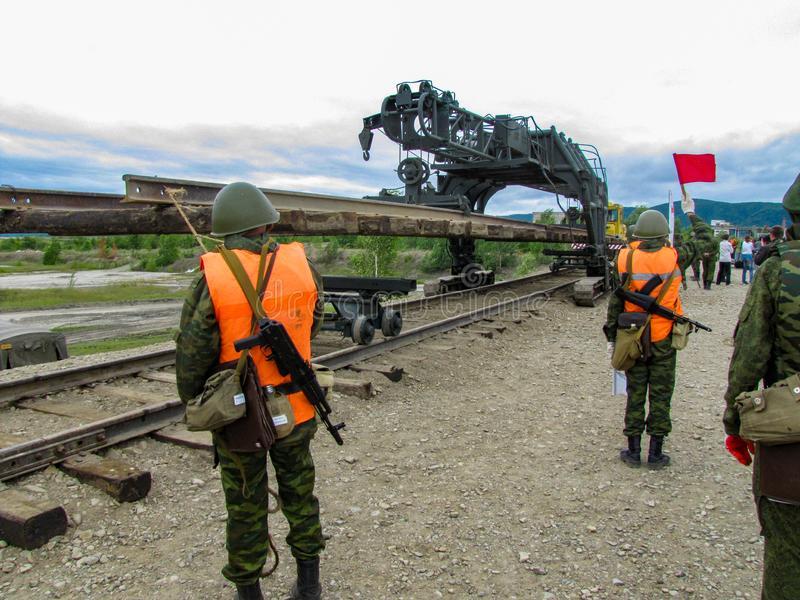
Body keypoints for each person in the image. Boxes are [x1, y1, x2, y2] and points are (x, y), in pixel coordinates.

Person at [175, 182, 326, 600]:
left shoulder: (214, 275)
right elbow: (312, 324)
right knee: (300, 491)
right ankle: (309, 585)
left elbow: (193, 354)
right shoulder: (302, 265)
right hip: (297, 404)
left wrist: (195, 399)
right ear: (266, 224)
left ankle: (249, 591)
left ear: (225, 229)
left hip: (241, 412)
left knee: (245, 504)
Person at [723, 173, 800, 599]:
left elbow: (749, 356)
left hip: (792, 433)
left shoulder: (777, 271)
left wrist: (736, 423)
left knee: (788, 555)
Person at [604, 195, 714, 468]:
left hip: (633, 336)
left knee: (635, 393)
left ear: (637, 234)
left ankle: (632, 451)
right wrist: (692, 214)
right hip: (664, 338)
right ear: (665, 234)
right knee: (662, 394)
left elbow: (616, 300)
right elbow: (708, 239)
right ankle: (655, 453)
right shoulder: (675, 257)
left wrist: (611, 336)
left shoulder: (624, 258)